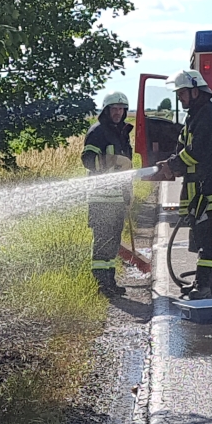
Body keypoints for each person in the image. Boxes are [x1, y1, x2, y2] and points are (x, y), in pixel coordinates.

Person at [158, 69, 212, 298]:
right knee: (201, 237)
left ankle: (203, 286)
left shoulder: (208, 114)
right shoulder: (195, 116)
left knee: (208, 239)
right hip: (199, 187)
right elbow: (183, 148)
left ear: (195, 91)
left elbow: (198, 151)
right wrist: (171, 164)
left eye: (182, 93)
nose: (180, 98)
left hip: (211, 188)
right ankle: (207, 285)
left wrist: (173, 164)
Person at [82, 91, 135, 296]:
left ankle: (110, 282)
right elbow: (88, 160)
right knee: (102, 242)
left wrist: (128, 193)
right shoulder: (97, 131)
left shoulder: (122, 133)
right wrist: (113, 161)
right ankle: (101, 285)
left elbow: (126, 169)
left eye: (121, 109)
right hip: (101, 199)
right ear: (106, 110)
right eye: (114, 109)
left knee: (113, 242)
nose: (118, 112)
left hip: (118, 198)